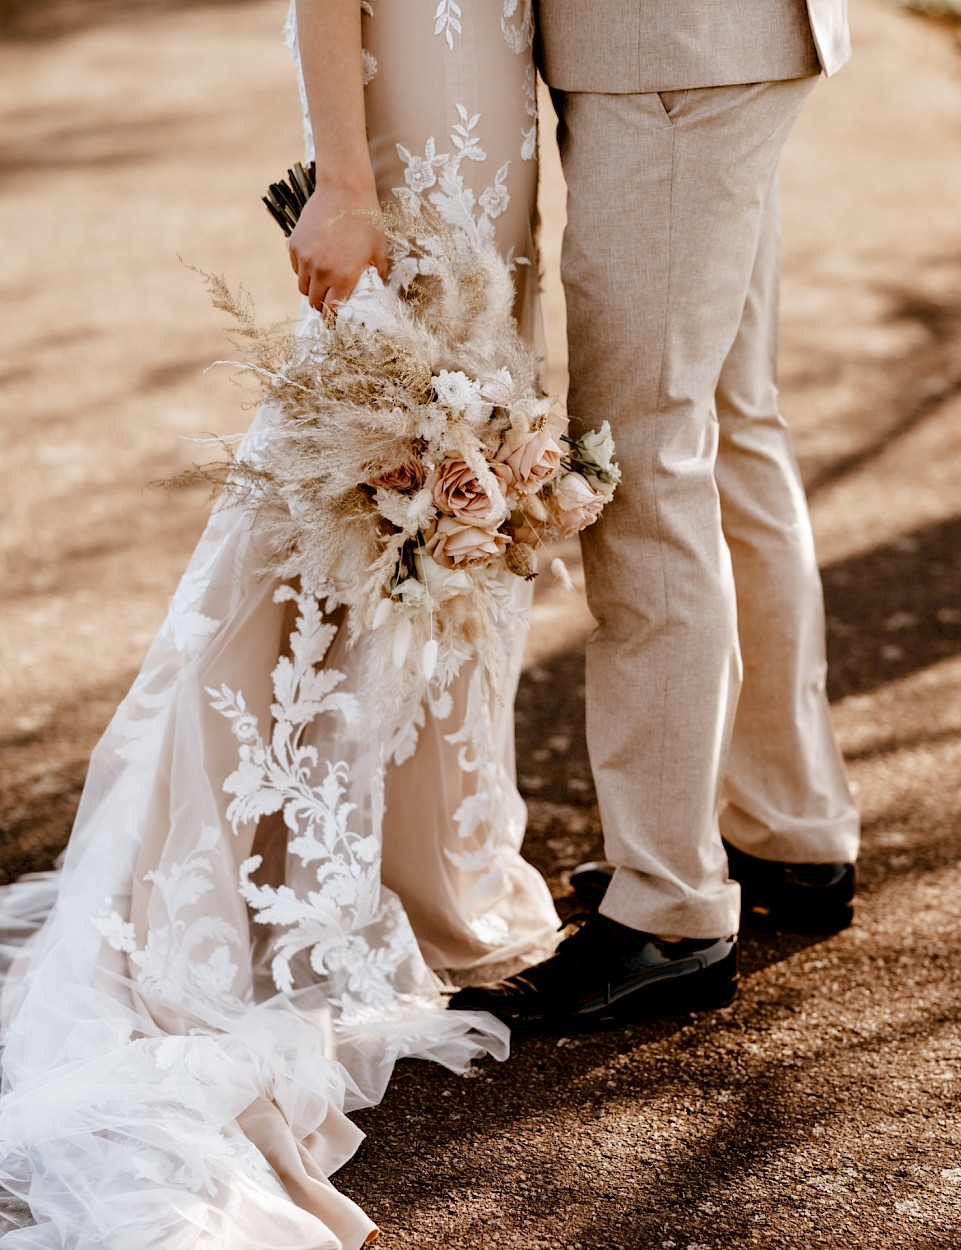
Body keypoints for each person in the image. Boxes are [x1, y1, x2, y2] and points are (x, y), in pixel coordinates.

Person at [0, 3, 557, 1247]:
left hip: (496, 151)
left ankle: (417, 854)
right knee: (344, 473)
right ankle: (262, 869)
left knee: (438, 479)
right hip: (402, 145)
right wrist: (344, 181)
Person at [450, 0, 861, 1031]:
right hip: (724, 41)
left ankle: (671, 909)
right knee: (728, 421)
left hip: (665, 48)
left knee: (638, 453)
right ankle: (788, 823)